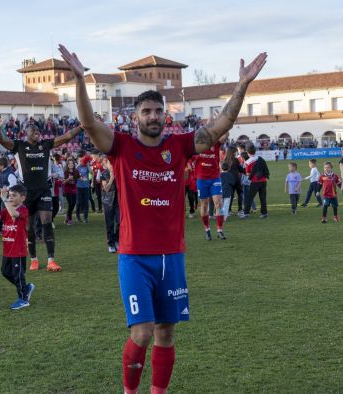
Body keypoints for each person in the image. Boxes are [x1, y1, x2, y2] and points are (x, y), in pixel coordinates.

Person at [59, 43, 266, 394]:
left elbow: (220, 126)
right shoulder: (121, 146)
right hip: (135, 256)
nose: (153, 117)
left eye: (157, 111)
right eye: (146, 112)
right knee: (141, 332)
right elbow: (88, 123)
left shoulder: (180, 146)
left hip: (172, 256)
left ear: (163, 116)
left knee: (166, 334)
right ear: (135, 117)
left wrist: (242, 84)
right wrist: (80, 79)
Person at [0, 114, 85, 272]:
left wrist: (82, 127)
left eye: (38, 130)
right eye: (33, 129)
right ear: (25, 133)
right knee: (29, 227)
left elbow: (67, 136)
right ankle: (33, 259)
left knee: (46, 221)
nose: (37, 131)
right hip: (25, 193)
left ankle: (51, 260)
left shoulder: (45, 145)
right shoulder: (19, 145)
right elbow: (2, 140)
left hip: (43, 190)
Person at [0, 184, 35, 310]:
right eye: (9, 195)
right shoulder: (7, 209)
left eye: (14, 196)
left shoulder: (23, 210)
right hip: (7, 249)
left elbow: (14, 214)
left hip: (18, 250)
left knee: (18, 275)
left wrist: (4, 199)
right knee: (5, 272)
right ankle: (25, 288)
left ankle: (23, 299)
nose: (10, 198)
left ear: (23, 198)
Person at [195, 130, 228, 240]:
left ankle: (219, 230)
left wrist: (227, 123)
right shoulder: (197, 146)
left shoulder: (216, 143)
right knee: (204, 205)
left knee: (218, 203)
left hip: (215, 178)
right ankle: (207, 230)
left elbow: (225, 135)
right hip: (202, 180)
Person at [240, 144, 270, 219]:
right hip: (263, 181)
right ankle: (264, 213)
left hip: (255, 181)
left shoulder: (248, 162)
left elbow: (247, 173)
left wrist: (253, 173)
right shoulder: (261, 158)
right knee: (263, 198)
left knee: (249, 197)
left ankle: (246, 213)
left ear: (247, 152)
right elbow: (265, 169)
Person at [101, 156, 119, 253]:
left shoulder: (119, 173)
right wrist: (112, 178)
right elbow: (106, 188)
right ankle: (110, 244)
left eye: (113, 163)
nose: (112, 166)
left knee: (120, 222)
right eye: (110, 163)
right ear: (107, 164)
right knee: (110, 223)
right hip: (108, 201)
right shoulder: (104, 174)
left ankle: (117, 240)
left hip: (118, 201)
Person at [76, 153, 92, 223]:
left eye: (82, 160)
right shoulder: (77, 167)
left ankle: (85, 218)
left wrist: (88, 165)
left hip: (86, 187)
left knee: (86, 202)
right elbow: (74, 173)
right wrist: (78, 165)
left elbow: (92, 173)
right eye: (80, 160)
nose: (81, 161)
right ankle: (77, 216)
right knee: (79, 202)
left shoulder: (86, 166)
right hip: (78, 187)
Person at [63, 158, 79, 225]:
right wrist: (68, 179)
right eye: (69, 163)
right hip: (67, 190)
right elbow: (63, 182)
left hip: (74, 190)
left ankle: (67, 217)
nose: (71, 165)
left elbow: (79, 177)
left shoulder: (76, 171)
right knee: (70, 204)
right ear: (67, 165)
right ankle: (69, 219)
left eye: (72, 163)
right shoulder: (65, 172)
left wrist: (82, 178)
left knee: (73, 204)